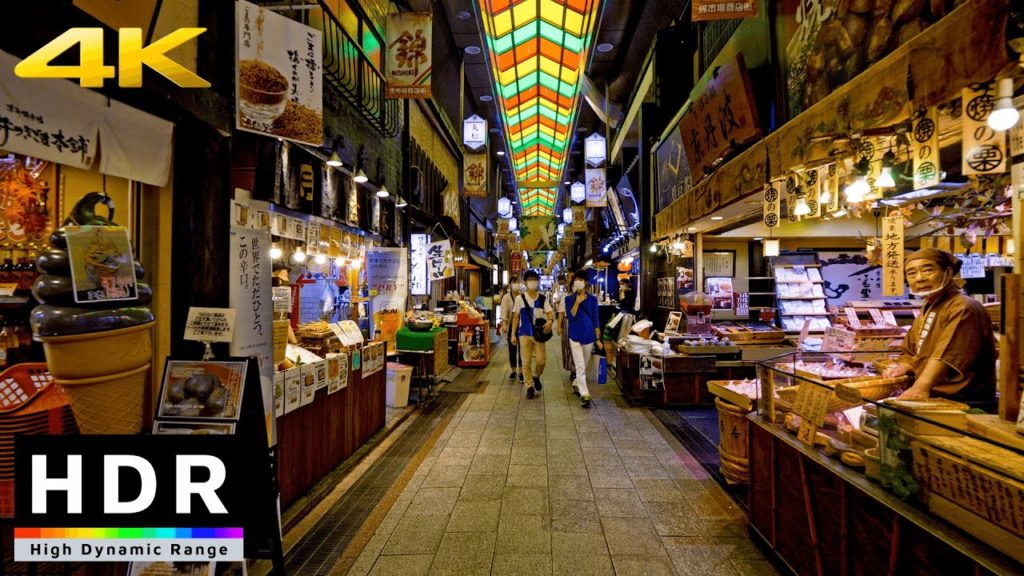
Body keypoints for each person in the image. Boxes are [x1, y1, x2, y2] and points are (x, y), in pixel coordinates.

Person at [882, 248, 996, 403]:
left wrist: (921, 387)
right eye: (912, 273)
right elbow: (913, 349)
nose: (920, 278)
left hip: (964, 400)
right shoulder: (929, 305)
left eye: (928, 270)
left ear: (948, 273)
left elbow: (948, 354)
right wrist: (904, 366)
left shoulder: (964, 307)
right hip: (934, 395)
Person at [510, 270, 554, 399]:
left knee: (541, 360)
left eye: (535, 279)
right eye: (530, 279)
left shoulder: (542, 299)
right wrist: (513, 334)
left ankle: (536, 376)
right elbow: (516, 317)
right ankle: (529, 386)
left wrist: (551, 321)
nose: (533, 282)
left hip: (539, 335)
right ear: (525, 282)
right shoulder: (520, 298)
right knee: (526, 362)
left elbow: (550, 313)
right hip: (524, 334)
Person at [562, 270, 601, 408]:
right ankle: (585, 394)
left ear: (585, 283)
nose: (578, 282)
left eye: (581, 280)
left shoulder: (593, 300)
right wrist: (577, 302)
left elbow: (596, 319)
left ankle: (576, 383)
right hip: (574, 335)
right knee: (579, 365)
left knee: (583, 364)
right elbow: (571, 317)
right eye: (576, 280)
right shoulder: (568, 299)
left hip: (589, 335)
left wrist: (598, 338)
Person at [498, 277, 524, 382]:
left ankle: (521, 371)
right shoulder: (506, 297)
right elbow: (504, 310)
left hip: (522, 326)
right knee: (512, 350)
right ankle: (513, 370)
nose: (516, 284)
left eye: (517, 282)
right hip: (511, 326)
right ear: (510, 285)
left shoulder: (523, 297)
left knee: (522, 349)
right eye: (514, 282)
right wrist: (504, 323)